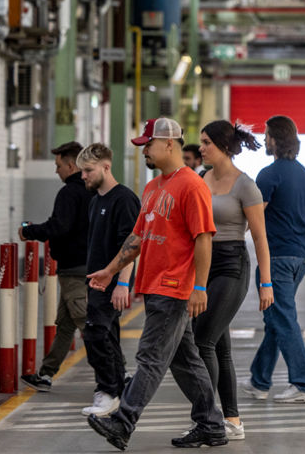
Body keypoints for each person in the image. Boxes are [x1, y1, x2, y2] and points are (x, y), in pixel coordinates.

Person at [85, 117, 227, 450]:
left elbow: (203, 239)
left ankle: (123, 421)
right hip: (152, 285)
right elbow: (138, 238)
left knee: (150, 357)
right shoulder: (153, 188)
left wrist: (200, 287)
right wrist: (110, 270)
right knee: (185, 361)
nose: (144, 152)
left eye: (147, 145)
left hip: (174, 286)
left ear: (168, 144)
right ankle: (211, 425)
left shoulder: (192, 185)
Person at [192, 120, 274, 441]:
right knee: (220, 348)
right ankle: (232, 420)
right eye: (200, 142)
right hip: (204, 265)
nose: (201, 148)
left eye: (206, 142)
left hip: (231, 266)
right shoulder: (201, 179)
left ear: (224, 147)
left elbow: (261, 238)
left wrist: (265, 282)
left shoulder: (245, 186)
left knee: (203, 341)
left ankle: (208, 420)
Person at [243, 115, 305, 404]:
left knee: (284, 319)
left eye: (267, 134)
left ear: (274, 139)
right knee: (277, 319)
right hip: (300, 258)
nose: (265, 139)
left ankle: (302, 384)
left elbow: (253, 218)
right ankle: (259, 380)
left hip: (277, 257)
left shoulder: (268, 175)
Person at [19, 141, 94, 393]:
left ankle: (117, 375)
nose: (56, 171)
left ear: (71, 165)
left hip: (75, 269)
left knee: (88, 325)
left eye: (58, 165)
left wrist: (28, 231)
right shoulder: (93, 189)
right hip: (85, 266)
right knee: (65, 325)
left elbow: (58, 227)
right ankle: (46, 374)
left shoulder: (69, 193)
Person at [75, 143, 139, 417]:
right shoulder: (95, 202)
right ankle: (118, 388)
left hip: (113, 280)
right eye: (82, 171)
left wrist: (123, 283)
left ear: (106, 167)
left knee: (95, 334)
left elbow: (132, 245)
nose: (83, 176)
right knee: (108, 335)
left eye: (88, 170)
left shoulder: (124, 199)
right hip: (97, 281)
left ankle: (108, 391)